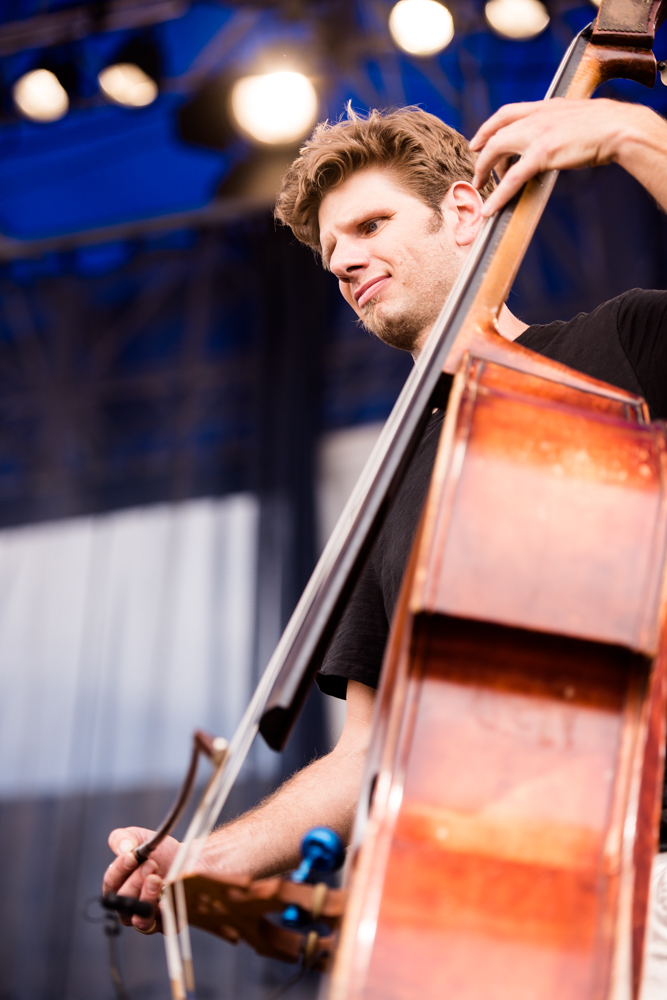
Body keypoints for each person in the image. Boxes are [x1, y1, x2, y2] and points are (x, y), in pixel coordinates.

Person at [103, 96, 667, 990]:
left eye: (372, 224)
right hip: (497, 910)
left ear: (466, 210)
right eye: (333, 256)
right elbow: (371, 751)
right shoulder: (388, 482)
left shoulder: (621, 348)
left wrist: (637, 134)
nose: (349, 260)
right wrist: (211, 854)